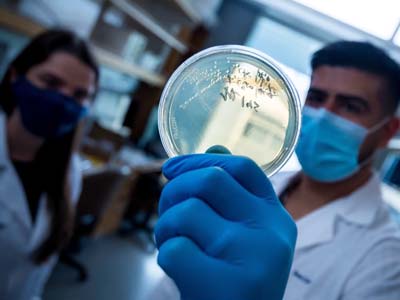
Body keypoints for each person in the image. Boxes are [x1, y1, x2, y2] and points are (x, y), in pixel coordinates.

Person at [153, 41, 400, 300]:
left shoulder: (386, 261)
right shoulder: (252, 186)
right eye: (316, 98)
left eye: (350, 106)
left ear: (387, 132)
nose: (323, 116)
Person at [0, 29, 98, 299]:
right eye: (50, 82)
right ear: (14, 76)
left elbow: (36, 273)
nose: (62, 99)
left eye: (79, 95)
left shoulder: (70, 172)